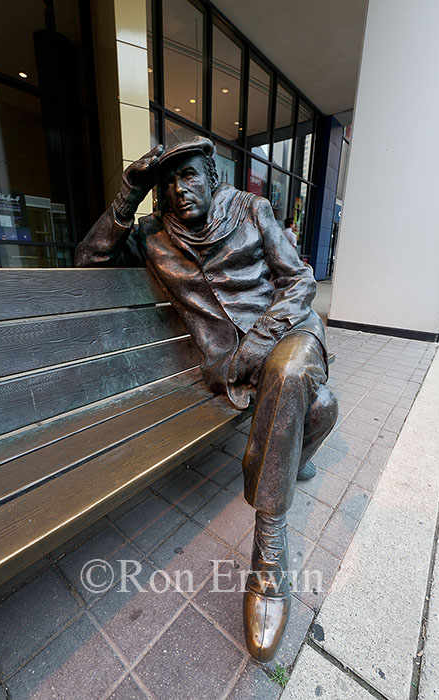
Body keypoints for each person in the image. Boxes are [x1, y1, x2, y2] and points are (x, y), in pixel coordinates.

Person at [75, 137, 337, 662]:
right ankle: (290, 458)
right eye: (167, 182)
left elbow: (300, 281)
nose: (179, 189)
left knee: (287, 375)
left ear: (211, 177)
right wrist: (128, 193)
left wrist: (258, 341)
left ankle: (268, 554)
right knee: (320, 410)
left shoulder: (251, 209)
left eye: (190, 175)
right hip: (229, 372)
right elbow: (88, 261)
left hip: (290, 334)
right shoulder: (152, 235)